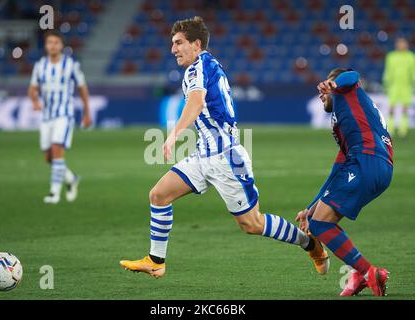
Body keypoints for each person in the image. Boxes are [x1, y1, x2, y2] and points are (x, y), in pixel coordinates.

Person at [120, 16, 329, 278]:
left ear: (196, 44)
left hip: (226, 158)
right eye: (172, 43)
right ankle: (156, 260)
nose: (173, 49)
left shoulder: (198, 68)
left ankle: (310, 244)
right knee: (159, 195)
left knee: (252, 224)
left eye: (178, 43)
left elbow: (195, 104)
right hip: (202, 155)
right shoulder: (205, 65)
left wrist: (173, 136)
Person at [296, 68, 394, 296]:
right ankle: (360, 274)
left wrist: (334, 84)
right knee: (319, 220)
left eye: (326, 88)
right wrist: (310, 208)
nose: (321, 94)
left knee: (320, 225)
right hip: (375, 167)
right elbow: (337, 171)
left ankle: (367, 272)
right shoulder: (346, 118)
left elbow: (352, 74)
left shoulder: (348, 91)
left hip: (366, 161)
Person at [28, 30, 92, 204]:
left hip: (64, 114)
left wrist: (87, 112)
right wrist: (34, 101)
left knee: (57, 150)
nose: (53, 45)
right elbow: (32, 89)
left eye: (56, 42)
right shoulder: (40, 66)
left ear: (61, 45)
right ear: (46, 45)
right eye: (50, 43)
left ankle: (54, 193)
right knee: (49, 157)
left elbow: (82, 88)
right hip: (46, 116)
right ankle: (71, 178)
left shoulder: (71, 65)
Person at [382, 37, 415, 138]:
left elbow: (413, 71)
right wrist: (386, 83)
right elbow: (388, 71)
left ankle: (403, 130)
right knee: (391, 107)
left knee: (405, 108)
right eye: (399, 43)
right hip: (393, 86)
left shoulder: (411, 56)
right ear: (397, 45)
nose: (401, 45)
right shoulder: (391, 56)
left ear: (406, 45)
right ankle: (390, 128)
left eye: (403, 43)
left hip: (406, 86)